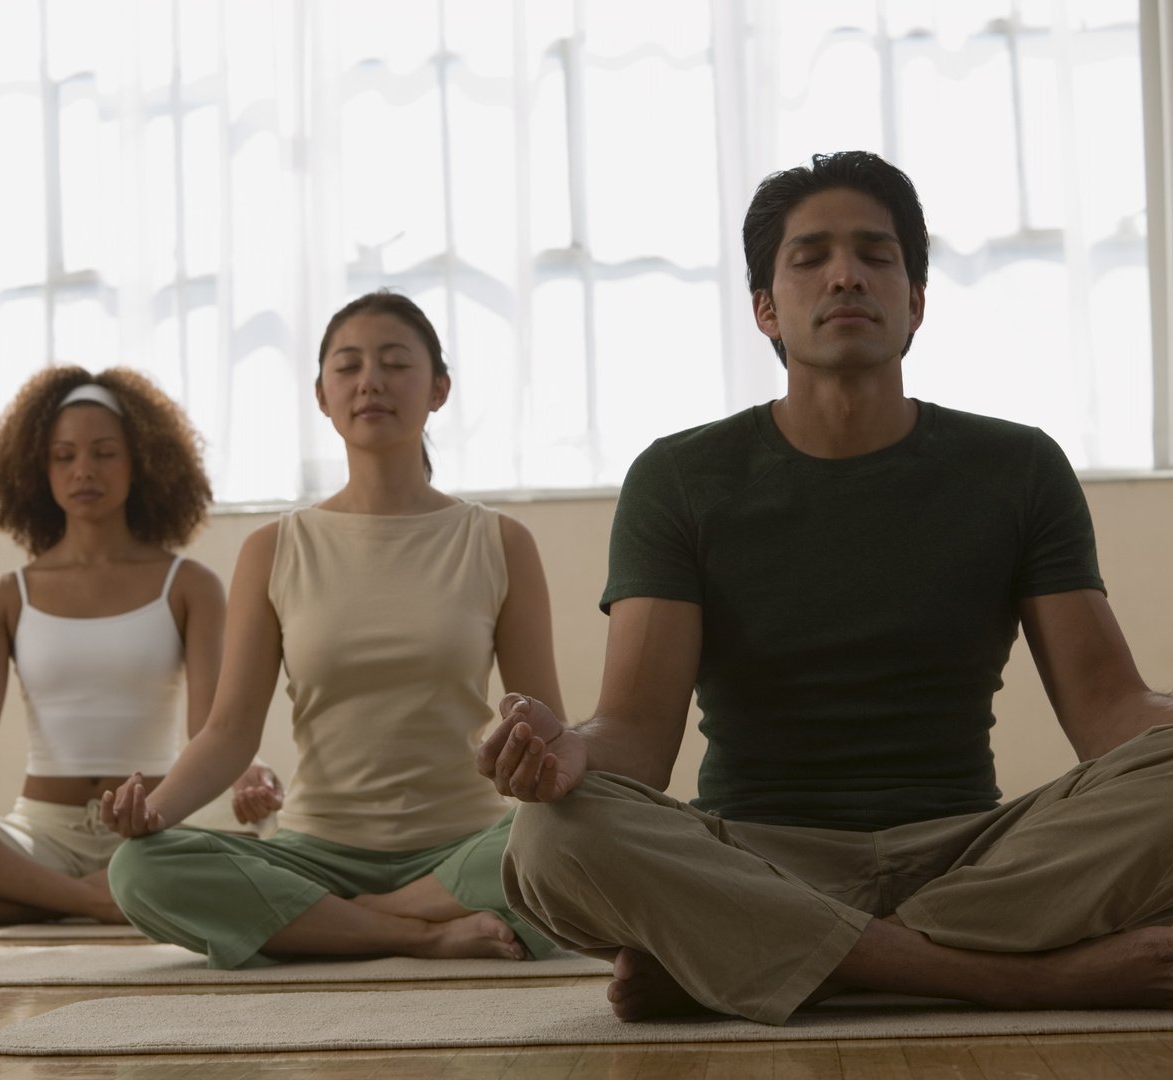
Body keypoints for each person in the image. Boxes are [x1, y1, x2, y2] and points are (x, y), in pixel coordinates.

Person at [483, 150, 1173, 1026]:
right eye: (809, 257)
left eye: (875, 255)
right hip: (758, 858)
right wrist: (567, 751)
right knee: (550, 836)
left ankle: (776, 961)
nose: (845, 274)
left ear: (915, 301)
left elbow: (1110, 713)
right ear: (766, 310)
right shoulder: (680, 476)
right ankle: (1013, 977)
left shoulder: (1016, 467)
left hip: (970, 855)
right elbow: (635, 738)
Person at [101, 290, 566, 967]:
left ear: (438, 388)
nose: (369, 381)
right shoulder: (274, 546)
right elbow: (229, 732)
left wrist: (552, 788)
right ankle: (418, 933)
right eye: (347, 366)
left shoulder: (497, 541)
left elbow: (541, 723)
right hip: (317, 854)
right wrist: (155, 814)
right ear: (321, 395)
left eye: (393, 363)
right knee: (137, 871)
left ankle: (331, 926)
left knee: (572, 840)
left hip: (465, 847)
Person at [0, 366, 274, 926]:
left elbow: (213, 724)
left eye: (104, 453)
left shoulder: (189, 584)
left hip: (153, 827)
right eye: (64, 456)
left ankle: (27, 897)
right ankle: (92, 898)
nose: (83, 469)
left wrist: (250, 770)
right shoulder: (4, 597)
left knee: (268, 838)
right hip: (40, 835)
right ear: (39, 469)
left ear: (143, 461)